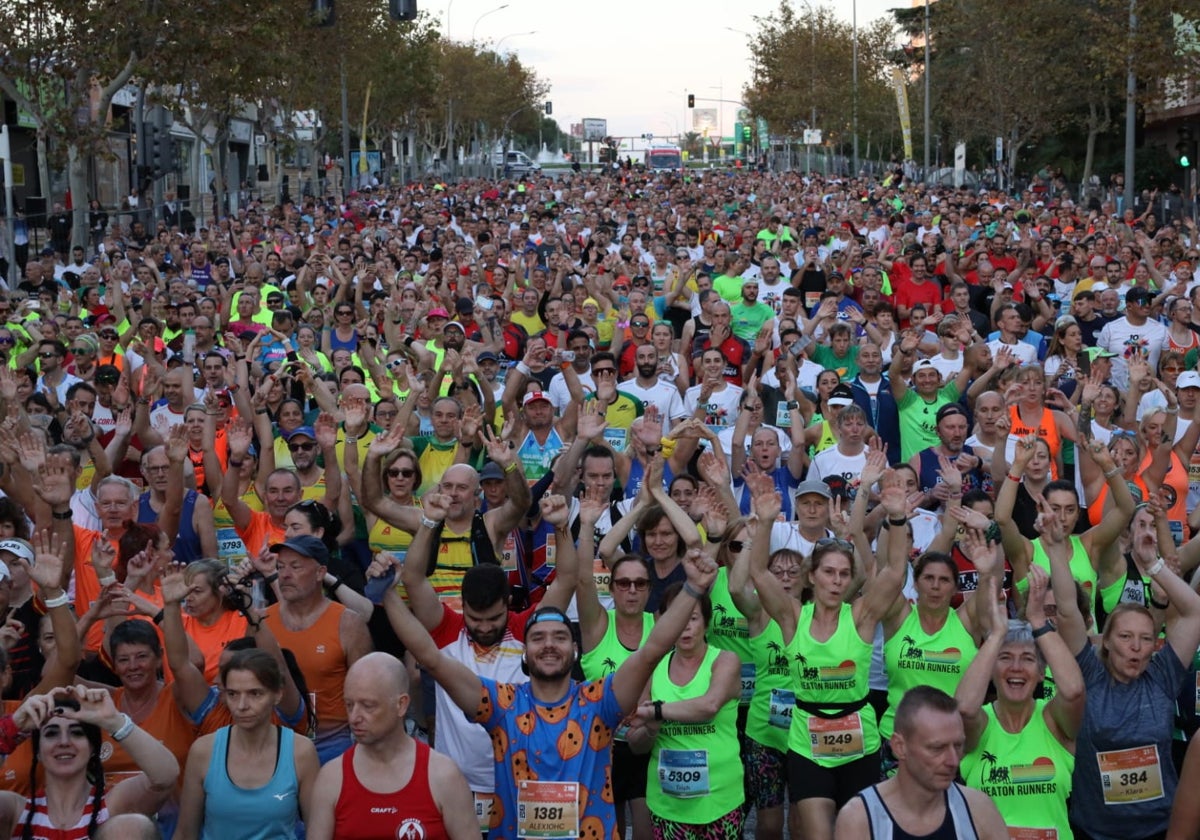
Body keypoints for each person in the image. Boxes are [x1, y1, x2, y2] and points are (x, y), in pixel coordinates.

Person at [379, 539, 719, 840]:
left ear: (575, 651)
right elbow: (430, 657)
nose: (549, 645)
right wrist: (387, 593)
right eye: (538, 638)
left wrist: (693, 589)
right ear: (524, 653)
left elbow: (653, 649)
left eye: (560, 637)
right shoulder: (501, 704)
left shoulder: (599, 700)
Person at [747, 468, 909, 840]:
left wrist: (897, 517)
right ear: (812, 576)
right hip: (808, 742)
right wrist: (766, 522)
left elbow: (895, 572)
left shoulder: (862, 617)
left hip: (860, 742)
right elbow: (758, 572)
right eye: (828, 573)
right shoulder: (792, 617)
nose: (836, 581)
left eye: (843, 574)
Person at [957, 560, 1085, 840]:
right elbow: (963, 709)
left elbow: (1074, 691)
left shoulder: (1054, 722)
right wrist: (997, 635)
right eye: (1005, 658)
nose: (1016, 668)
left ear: (1041, 673)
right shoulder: (981, 724)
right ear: (991, 668)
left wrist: (1038, 620)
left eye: (1027, 659)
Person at [307, 652, 489, 840]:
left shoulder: (443, 775)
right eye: (349, 705)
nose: (354, 717)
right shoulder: (331, 778)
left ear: (401, 705)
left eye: (368, 706)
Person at [626, 581, 743, 838]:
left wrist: (657, 712)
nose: (685, 627)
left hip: (720, 800)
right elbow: (635, 743)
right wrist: (651, 731)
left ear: (707, 622)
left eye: (692, 618)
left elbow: (709, 705)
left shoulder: (726, 660)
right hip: (668, 804)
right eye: (677, 620)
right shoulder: (652, 669)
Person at [0, 685, 180, 839]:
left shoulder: (112, 805)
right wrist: (11, 728)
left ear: (93, 748)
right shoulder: (14, 810)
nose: (64, 742)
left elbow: (165, 776)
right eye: (51, 733)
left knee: (134, 825)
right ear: (38, 751)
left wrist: (114, 721)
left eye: (77, 733)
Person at [175, 649, 320, 840]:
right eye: (233, 694)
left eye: (255, 694)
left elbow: (318, 832)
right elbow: (186, 833)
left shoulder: (300, 752)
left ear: (277, 695)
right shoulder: (204, 751)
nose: (242, 705)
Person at [833, 686, 1007, 840]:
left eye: (958, 746)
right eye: (937, 748)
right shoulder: (860, 818)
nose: (953, 760)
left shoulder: (979, 810)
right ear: (899, 747)